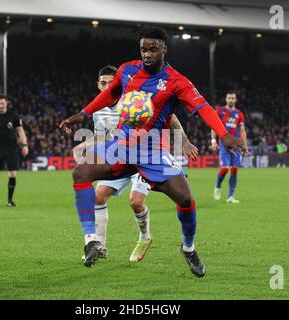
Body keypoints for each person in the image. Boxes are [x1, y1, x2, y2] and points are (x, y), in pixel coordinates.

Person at [60, 26, 246, 277]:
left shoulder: (176, 82)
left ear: (164, 49)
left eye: (153, 49)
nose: (147, 54)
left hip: (153, 151)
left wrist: (223, 134)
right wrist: (82, 114)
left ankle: (188, 248)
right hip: (122, 146)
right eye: (143, 49)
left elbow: (202, 106)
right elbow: (110, 93)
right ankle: (91, 240)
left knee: (186, 199)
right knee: (80, 173)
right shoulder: (127, 70)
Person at [74, 65, 199, 262]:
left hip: (148, 155)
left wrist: (183, 141)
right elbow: (101, 137)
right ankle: (99, 246)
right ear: (98, 85)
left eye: (110, 82)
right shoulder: (99, 112)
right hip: (120, 156)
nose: (107, 86)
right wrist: (84, 145)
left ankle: (144, 237)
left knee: (136, 202)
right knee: (98, 197)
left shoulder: (135, 97)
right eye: (103, 83)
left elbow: (170, 117)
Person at [0, 94, 29, 207]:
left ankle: (10, 200)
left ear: (6, 103)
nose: (1, 105)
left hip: (12, 148)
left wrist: (25, 145)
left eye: (3, 103)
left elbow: (20, 130)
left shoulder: (13, 115)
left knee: (12, 174)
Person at [211, 91, 248, 203]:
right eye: (229, 98)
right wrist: (213, 140)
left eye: (233, 98)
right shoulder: (220, 111)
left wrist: (245, 146)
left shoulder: (239, 114)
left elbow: (242, 131)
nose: (231, 100)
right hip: (224, 143)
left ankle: (230, 196)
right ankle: (218, 186)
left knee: (234, 170)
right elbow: (213, 126)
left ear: (235, 100)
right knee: (225, 168)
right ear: (226, 99)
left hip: (236, 145)